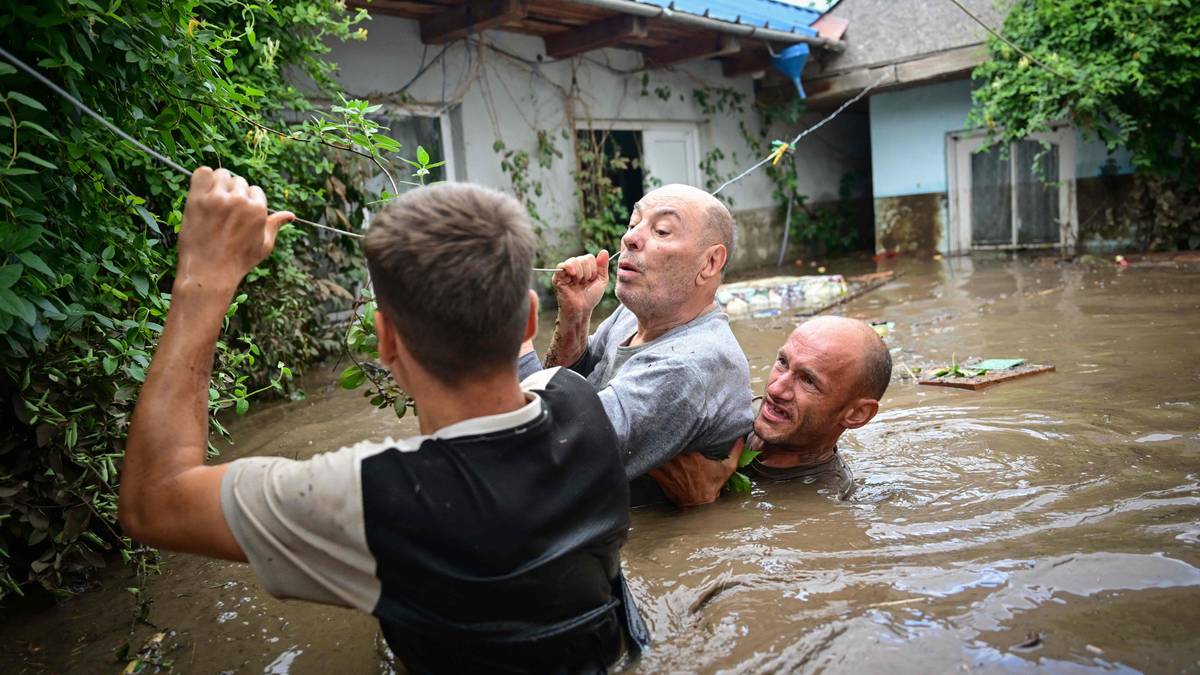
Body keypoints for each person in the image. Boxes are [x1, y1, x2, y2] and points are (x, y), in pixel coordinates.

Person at [119, 169, 648, 674]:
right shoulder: (579, 399)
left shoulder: (371, 496)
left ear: (386, 342)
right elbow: (535, 379)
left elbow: (154, 501)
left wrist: (202, 281)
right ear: (530, 318)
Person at [518, 184, 754, 505]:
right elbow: (570, 386)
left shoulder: (689, 364)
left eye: (661, 230)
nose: (630, 238)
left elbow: (544, 454)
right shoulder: (634, 314)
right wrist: (575, 317)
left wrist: (514, 338)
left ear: (710, 262)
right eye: (633, 224)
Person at [649, 316, 892, 505]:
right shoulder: (728, 410)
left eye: (808, 380)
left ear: (857, 414)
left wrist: (699, 504)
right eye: (783, 363)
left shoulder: (821, 504)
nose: (776, 389)